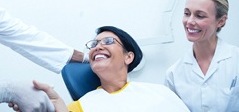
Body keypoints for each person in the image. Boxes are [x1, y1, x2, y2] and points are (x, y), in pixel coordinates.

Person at [33, 26, 190, 112]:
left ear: (128, 57)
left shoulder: (160, 93)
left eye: (108, 41)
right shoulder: (80, 107)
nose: (98, 46)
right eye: (94, 45)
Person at [164, 0, 239, 111]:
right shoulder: (174, 74)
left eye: (200, 16)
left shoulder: (236, 61)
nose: (190, 21)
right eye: (187, 14)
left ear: (221, 21)